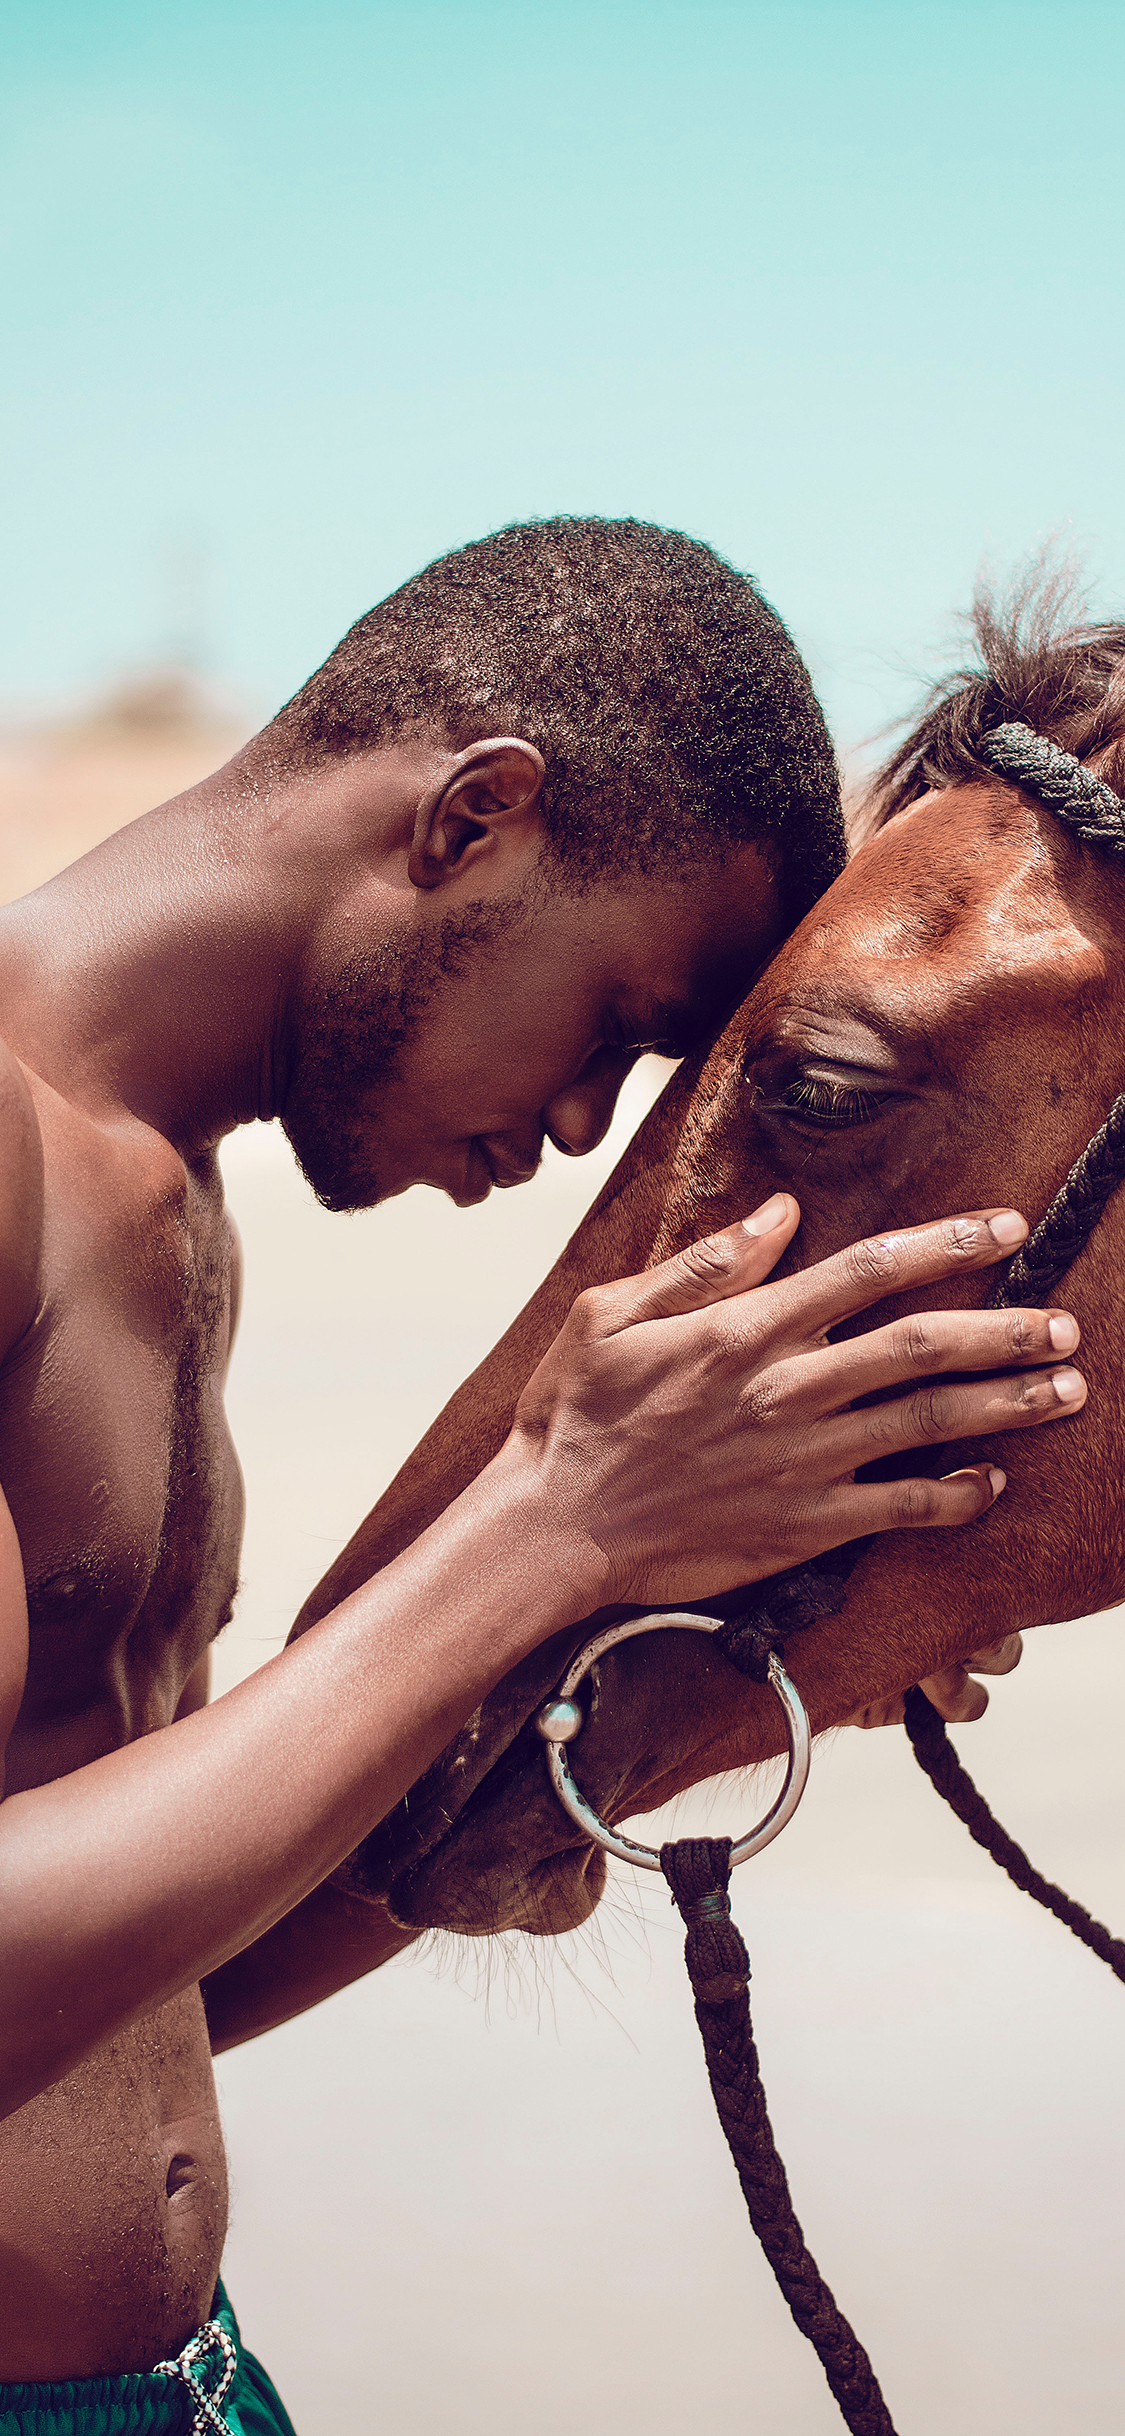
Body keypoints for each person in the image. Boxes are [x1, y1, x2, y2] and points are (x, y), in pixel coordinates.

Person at [0, 517, 1086, 2432]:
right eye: (614, 1033)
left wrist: (659, 1681)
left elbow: (133, 1998)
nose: (581, 1132)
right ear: (470, 820)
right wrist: (548, 1524)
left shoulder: (165, 1206)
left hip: (184, 2383)